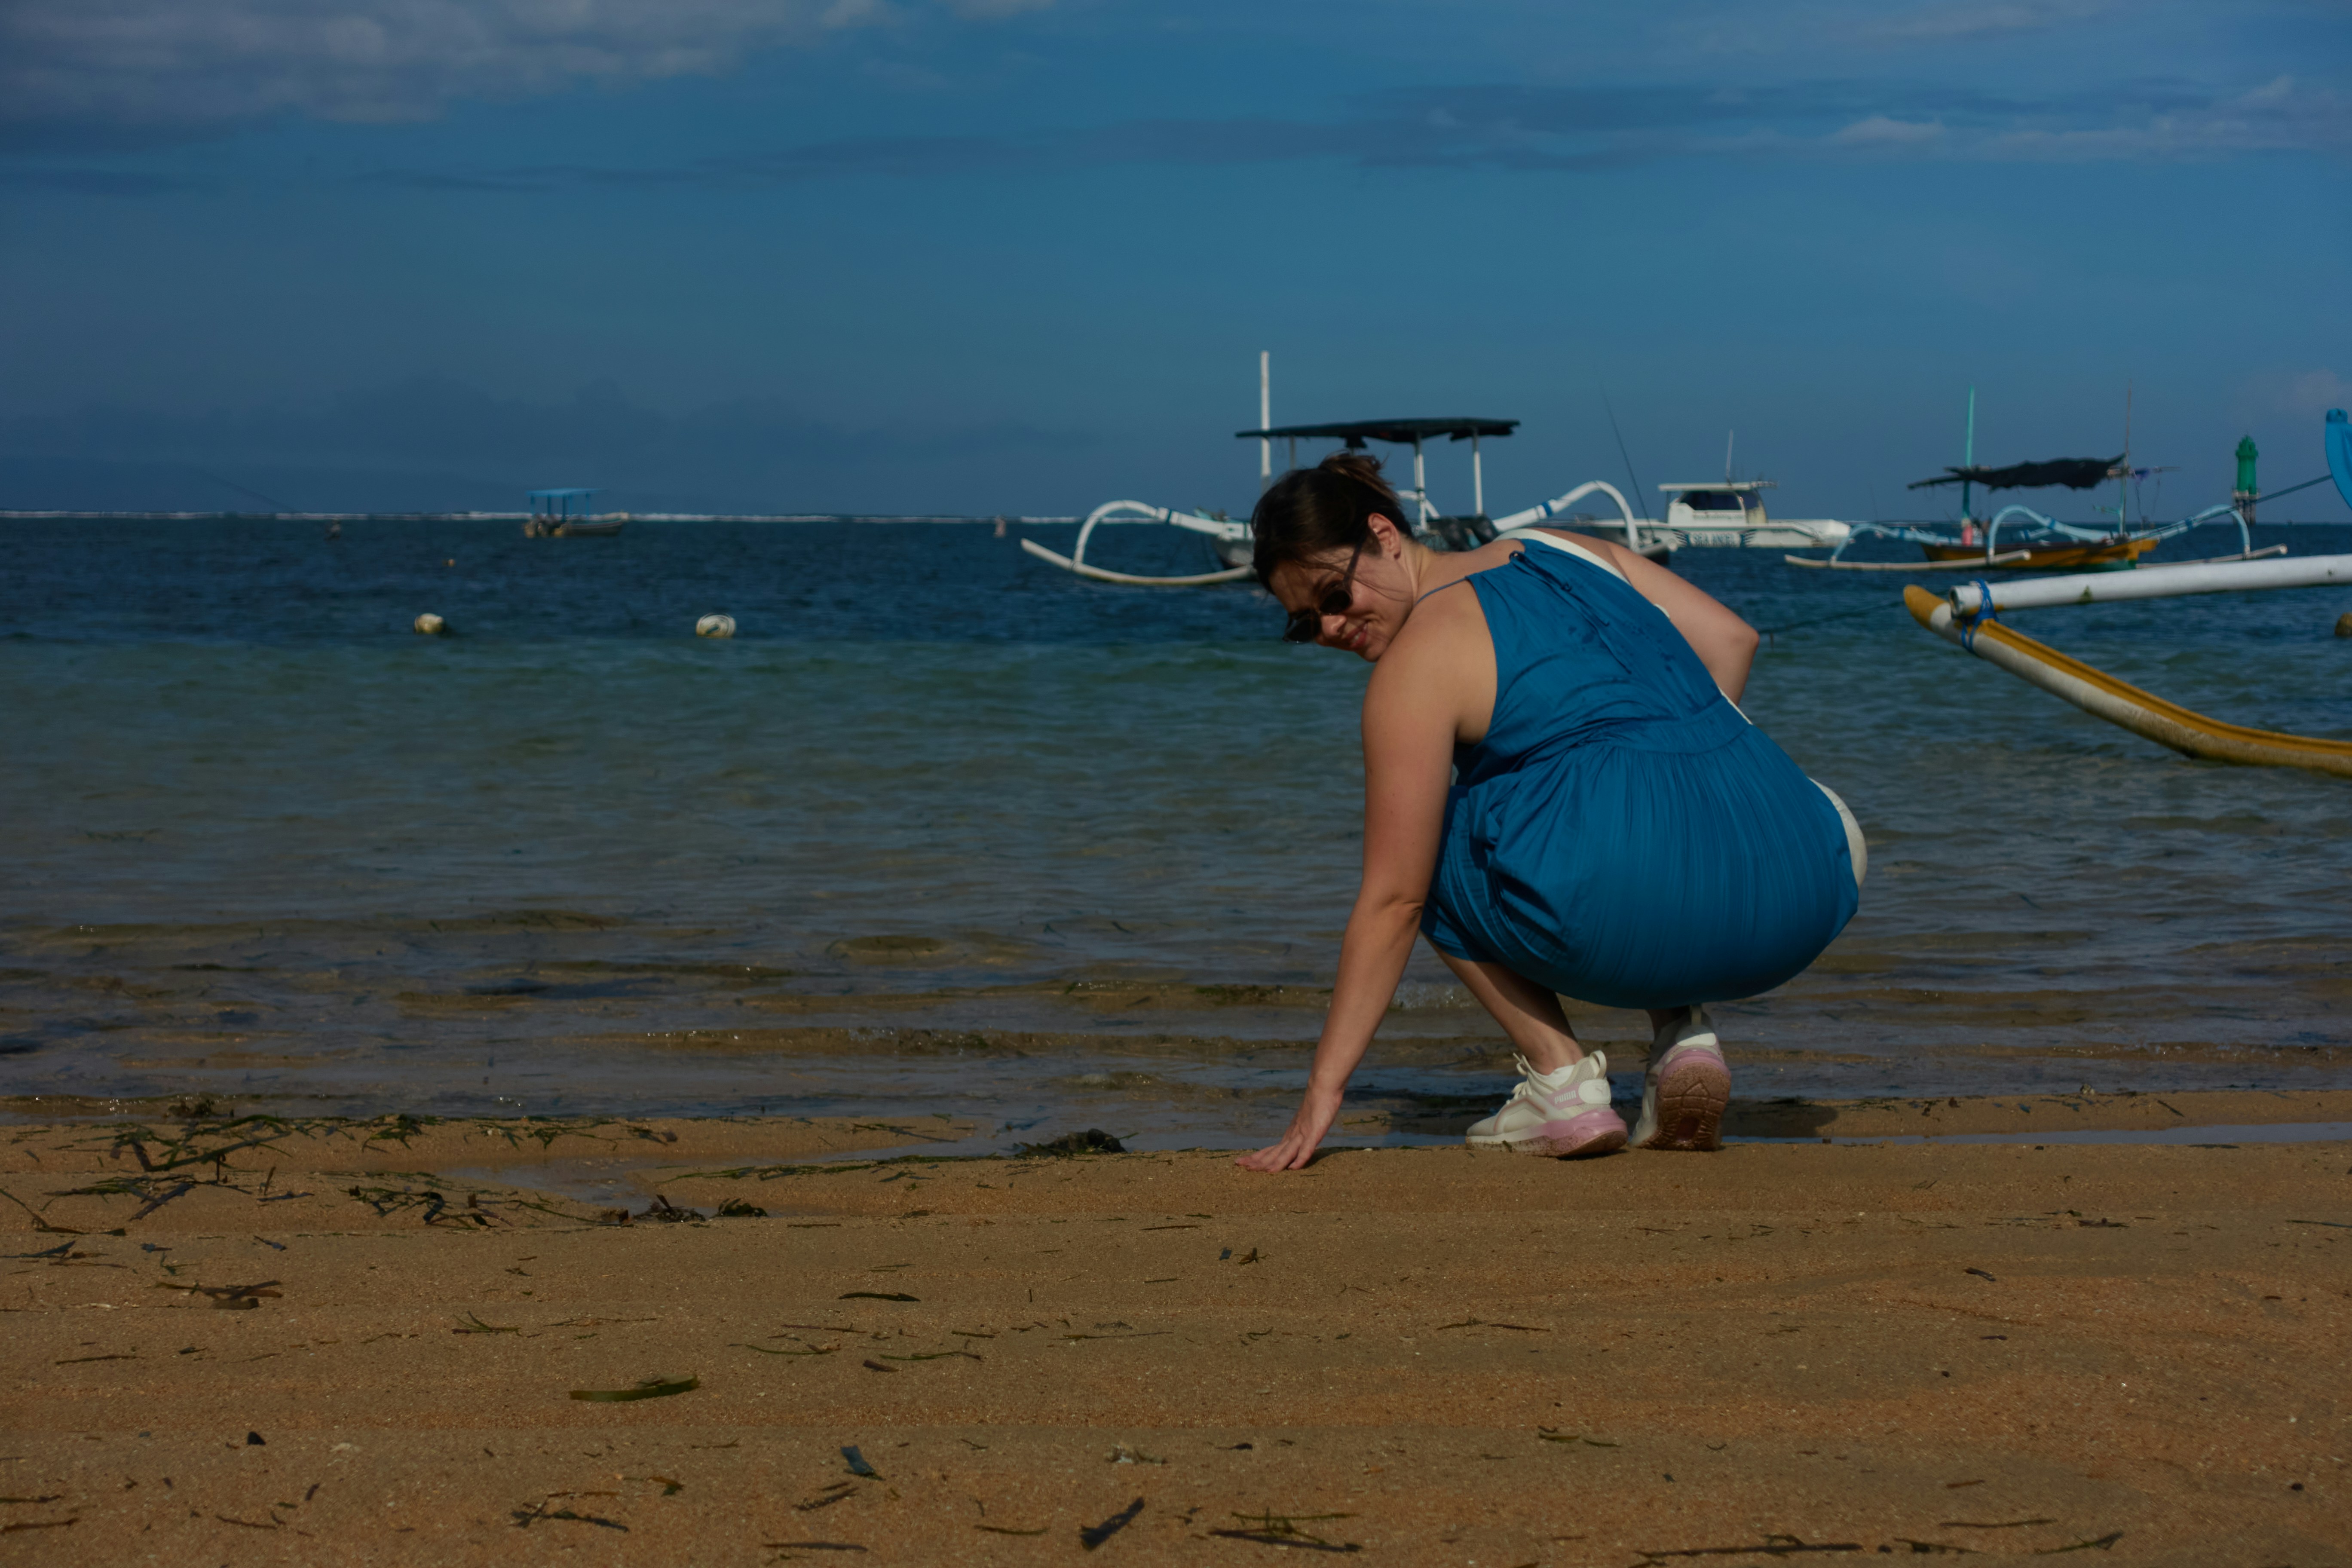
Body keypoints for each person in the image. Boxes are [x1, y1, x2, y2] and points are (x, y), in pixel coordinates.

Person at [1234, 453, 1863, 1174]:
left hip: (1652, 910)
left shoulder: (1418, 663)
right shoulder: (1565, 548)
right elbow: (1732, 640)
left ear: (1384, 532)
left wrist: (1323, 1091)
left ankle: (1561, 1080)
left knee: (1428, 847)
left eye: (1334, 593)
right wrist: (1677, 786)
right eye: (1304, 624)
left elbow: (1395, 901)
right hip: (1811, 876)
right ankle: (1682, 1035)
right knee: (1643, 806)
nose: (1333, 626)